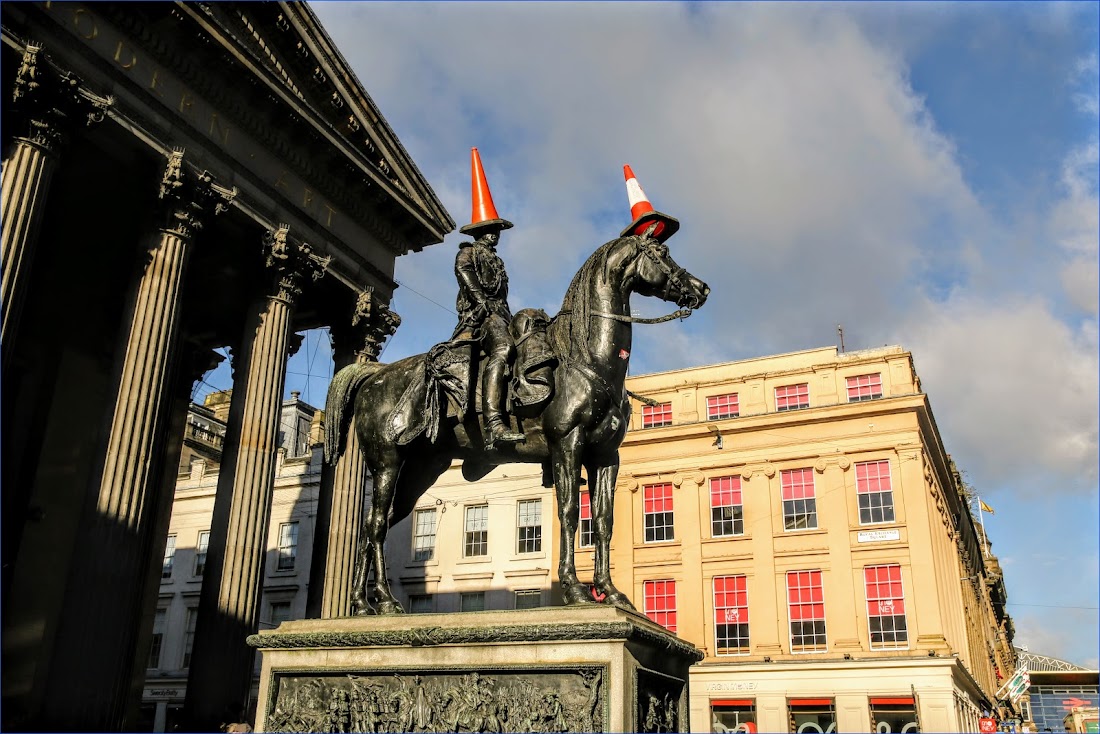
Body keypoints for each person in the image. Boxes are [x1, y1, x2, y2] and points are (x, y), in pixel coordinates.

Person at [453, 148, 523, 449]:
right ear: (479, 232)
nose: (494, 234)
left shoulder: (497, 261)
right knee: (505, 348)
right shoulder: (467, 252)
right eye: (488, 229)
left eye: (496, 230)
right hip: (480, 318)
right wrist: (480, 300)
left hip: (500, 315)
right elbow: (465, 274)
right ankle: (494, 423)